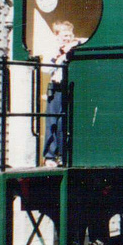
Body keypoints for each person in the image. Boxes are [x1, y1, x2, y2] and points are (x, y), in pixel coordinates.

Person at [42, 21, 84, 167]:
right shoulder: (52, 49)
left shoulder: (73, 46)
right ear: (57, 36)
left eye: (69, 35)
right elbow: (46, 69)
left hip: (69, 87)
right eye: (64, 35)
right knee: (52, 122)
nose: (67, 38)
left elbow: (83, 40)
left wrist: (73, 44)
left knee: (63, 123)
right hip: (56, 88)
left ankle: (62, 155)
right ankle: (50, 156)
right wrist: (58, 56)